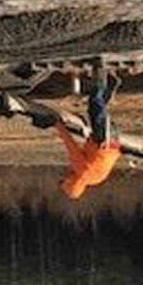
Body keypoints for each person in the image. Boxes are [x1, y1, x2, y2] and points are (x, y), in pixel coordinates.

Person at [55, 65, 123, 200]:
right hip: (103, 139)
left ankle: (111, 84)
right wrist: (59, 126)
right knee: (95, 104)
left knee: (100, 108)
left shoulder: (95, 180)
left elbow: (96, 159)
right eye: (65, 180)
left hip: (114, 141)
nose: (65, 176)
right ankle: (99, 70)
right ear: (72, 183)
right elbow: (71, 146)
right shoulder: (81, 171)